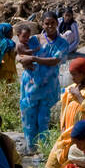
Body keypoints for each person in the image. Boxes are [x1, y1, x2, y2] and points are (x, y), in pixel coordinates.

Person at [19, 11, 69, 153]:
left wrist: (34, 59)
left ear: (57, 23)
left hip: (48, 87)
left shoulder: (62, 43)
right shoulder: (34, 39)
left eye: (52, 23)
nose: (49, 26)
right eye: (46, 23)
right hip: (30, 86)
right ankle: (31, 149)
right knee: (29, 118)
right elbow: (20, 51)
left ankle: (44, 151)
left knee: (43, 119)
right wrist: (22, 60)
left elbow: (55, 60)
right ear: (42, 24)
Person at [43, 58, 85, 168]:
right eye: (71, 75)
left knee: (74, 154)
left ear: (84, 74)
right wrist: (63, 125)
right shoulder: (72, 87)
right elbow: (64, 108)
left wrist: (78, 95)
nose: (72, 78)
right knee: (58, 152)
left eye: (74, 75)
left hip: (80, 132)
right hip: (67, 130)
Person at [0, 22, 17, 95]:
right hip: (9, 69)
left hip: (0, 68)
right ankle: (5, 103)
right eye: (11, 32)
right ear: (7, 33)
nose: (12, 34)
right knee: (8, 87)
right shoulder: (9, 43)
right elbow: (12, 56)